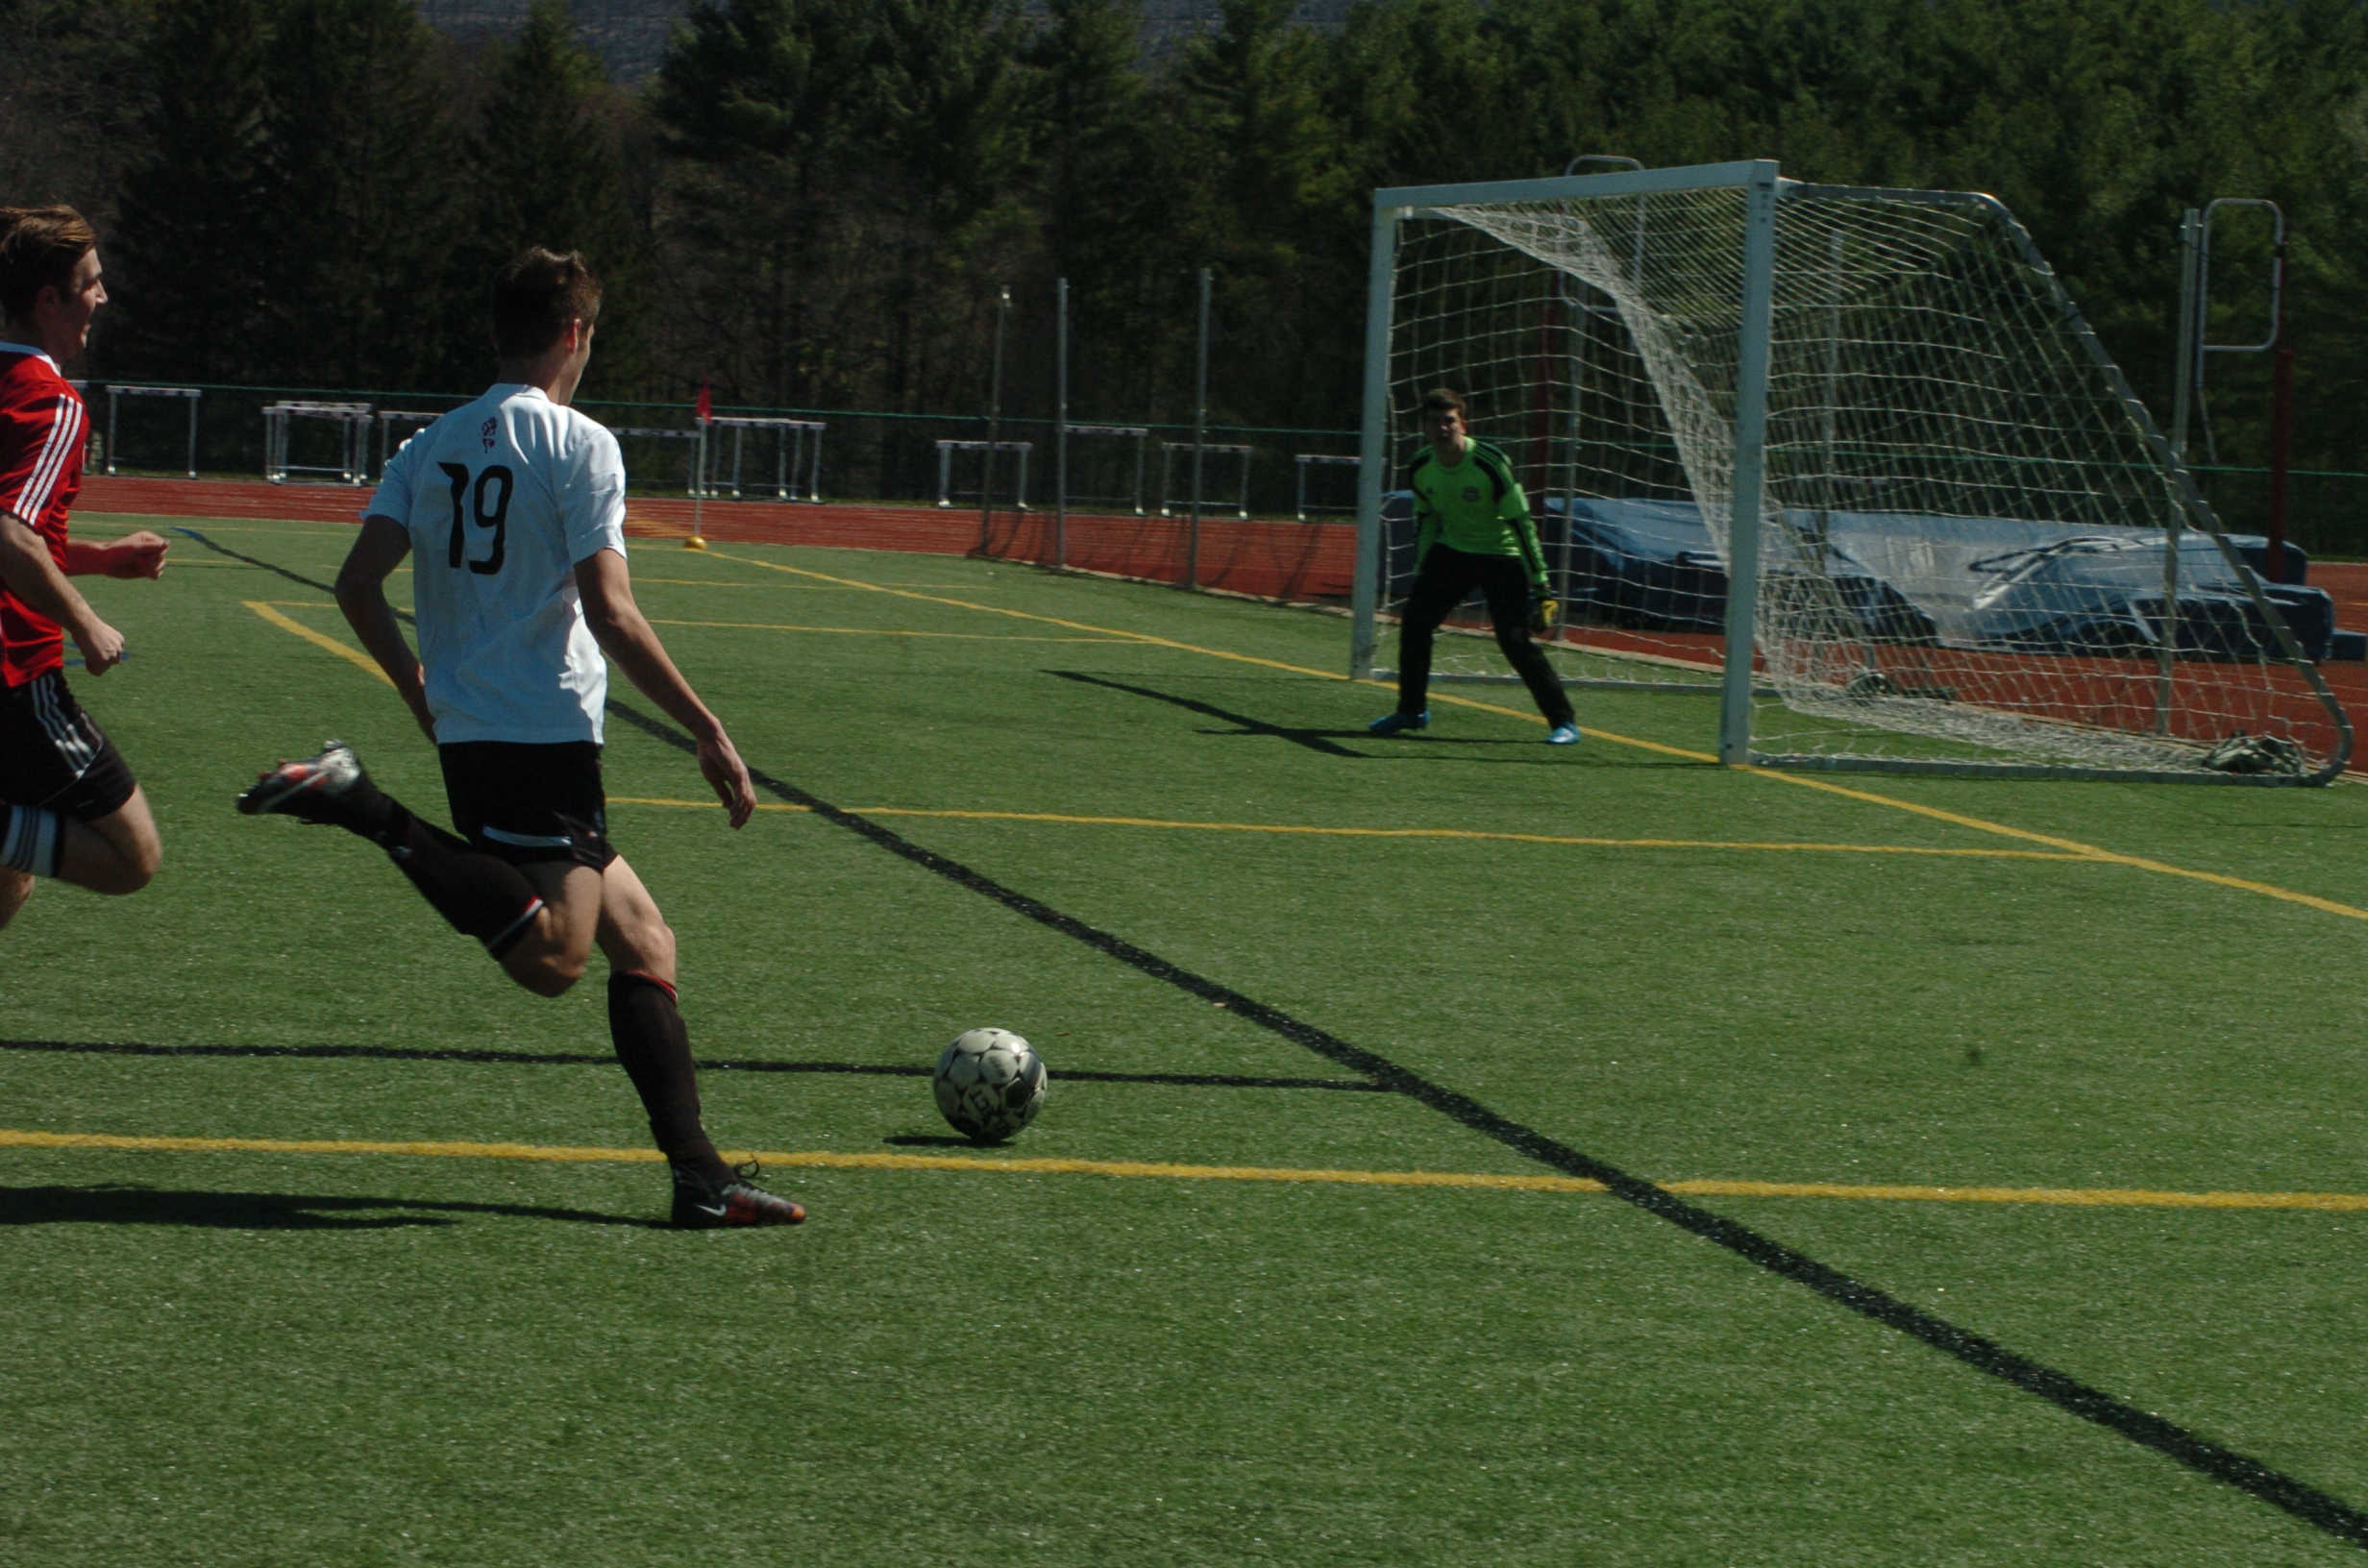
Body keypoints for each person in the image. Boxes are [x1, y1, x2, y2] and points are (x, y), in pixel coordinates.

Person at [237, 249, 802, 1230]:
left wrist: (419, 688)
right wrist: (707, 730)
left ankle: (701, 1180)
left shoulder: (429, 445)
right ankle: (360, 803)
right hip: (542, 734)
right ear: (574, 334)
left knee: (645, 939)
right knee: (553, 960)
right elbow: (612, 612)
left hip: (474, 731)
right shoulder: (582, 444)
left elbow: (356, 585)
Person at [0, 206, 168, 929]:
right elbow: (9, 534)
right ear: (50, 299)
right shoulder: (51, 401)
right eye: (92, 282)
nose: (103, 296)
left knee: (13, 870)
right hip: (14, 676)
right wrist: (86, 622)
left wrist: (97, 560)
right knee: (132, 857)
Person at [1369, 387, 1580, 746]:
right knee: (1415, 623)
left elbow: (1522, 524)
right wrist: (1423, 569)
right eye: (1434, 421)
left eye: (1449, 420)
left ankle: (1564, 722)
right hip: (1453, 552)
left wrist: (1542, 586)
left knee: (1514, 640)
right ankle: (1412, 711)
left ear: (1462, 425)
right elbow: (1427, 519)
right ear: (1424, 427)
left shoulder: (1489, 463)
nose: (1442, 428)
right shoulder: (1420, 466)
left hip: (1501, 554)